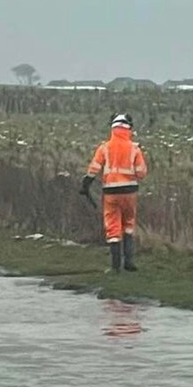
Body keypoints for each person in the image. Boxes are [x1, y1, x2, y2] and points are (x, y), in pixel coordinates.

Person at [81, 113, 148, 272]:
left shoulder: (104, 148)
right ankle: (129, 262)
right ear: (129, 128)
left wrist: (86, 184)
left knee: (113, 227)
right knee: (128, 225)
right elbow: (142, 173)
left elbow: (93, 169)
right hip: (130, 191)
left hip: (111, 192)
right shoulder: (134, 148)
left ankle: (115, 266)